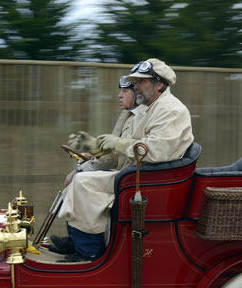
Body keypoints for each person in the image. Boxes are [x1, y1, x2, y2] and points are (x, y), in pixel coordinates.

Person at [53, 58, 194, 262]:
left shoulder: (171, 110)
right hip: (134, 175)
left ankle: (88, 251)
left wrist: (117, 143)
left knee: (83, 183)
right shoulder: (149, 109)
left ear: (159, 84)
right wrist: (96, 152)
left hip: (147, 181)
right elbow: (125, 150)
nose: (135, 85)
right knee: (80, 178)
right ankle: (78, 240)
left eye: (141, 81)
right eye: (135, 81)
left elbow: (155, 152)